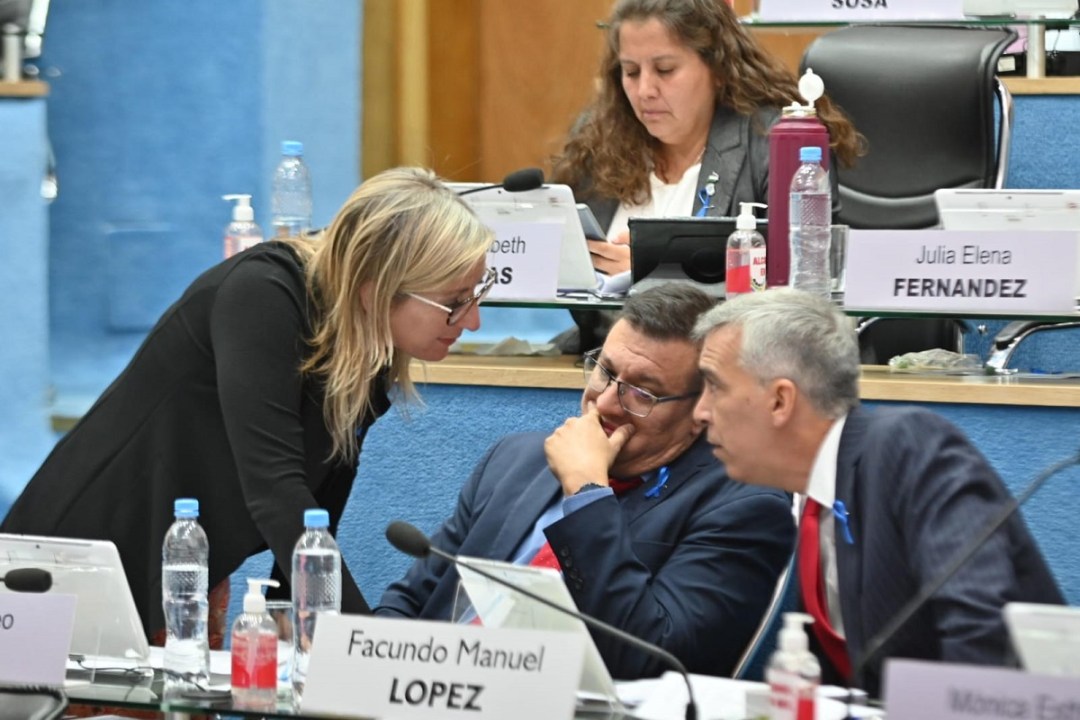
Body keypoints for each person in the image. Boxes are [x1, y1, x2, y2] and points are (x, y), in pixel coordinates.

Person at [1, 167, 497, 645]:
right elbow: (275, 487)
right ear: (376, 290)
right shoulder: (262, 295)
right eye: (454, 301)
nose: (471, 320)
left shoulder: (365, 338)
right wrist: (366, 646)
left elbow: (326, 486)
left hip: (178, 567)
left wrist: (291, 604)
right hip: (80, 558)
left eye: (475, 294)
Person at [375, 285, 795, 679]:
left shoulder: (743, 509)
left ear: (701, 409)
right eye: (604, 371)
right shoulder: (516, 460)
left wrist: (587, 495)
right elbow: (411, 600)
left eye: (643, 393)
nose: (606, 402)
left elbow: (653, 659)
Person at [691, 288, 1065, 697]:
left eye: (714, 386)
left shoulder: (911, 447)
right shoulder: (817, 494)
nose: (700, 412)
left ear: (781, 400)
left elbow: (981, 635)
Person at [550, 0, 861, 351]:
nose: (645, 90)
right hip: (606, 358)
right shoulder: (599, 141)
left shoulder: (774, 143)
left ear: (717, 67)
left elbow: (794, 294)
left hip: (736, 361)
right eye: (631, 72)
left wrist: (651, 276)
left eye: (665, 70)